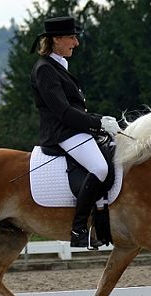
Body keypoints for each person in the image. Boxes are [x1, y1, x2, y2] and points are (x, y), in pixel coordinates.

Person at [30, 16, 121, 248]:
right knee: (99, 167)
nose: (76, 43)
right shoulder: (45, 70)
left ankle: (103, 220)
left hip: (75, 129)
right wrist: (97, 124)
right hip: (62, 132)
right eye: (71, 37)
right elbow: (63, 111)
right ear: (56, 39)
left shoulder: (58, 66)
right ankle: (78, 229)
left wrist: (100, 121)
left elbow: (75, 109)